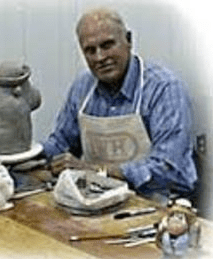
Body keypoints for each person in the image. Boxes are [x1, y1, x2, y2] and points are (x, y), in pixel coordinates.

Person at [41, 8, 197, 200]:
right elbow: (61, 143)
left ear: (128, 40)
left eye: (107, 45)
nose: (99, 57)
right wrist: (20, 154)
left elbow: (169, 169)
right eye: (90, 50)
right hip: (98, 196)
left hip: (157, 202)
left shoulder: (164, 88)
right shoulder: (83, 86)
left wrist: (96, 171)